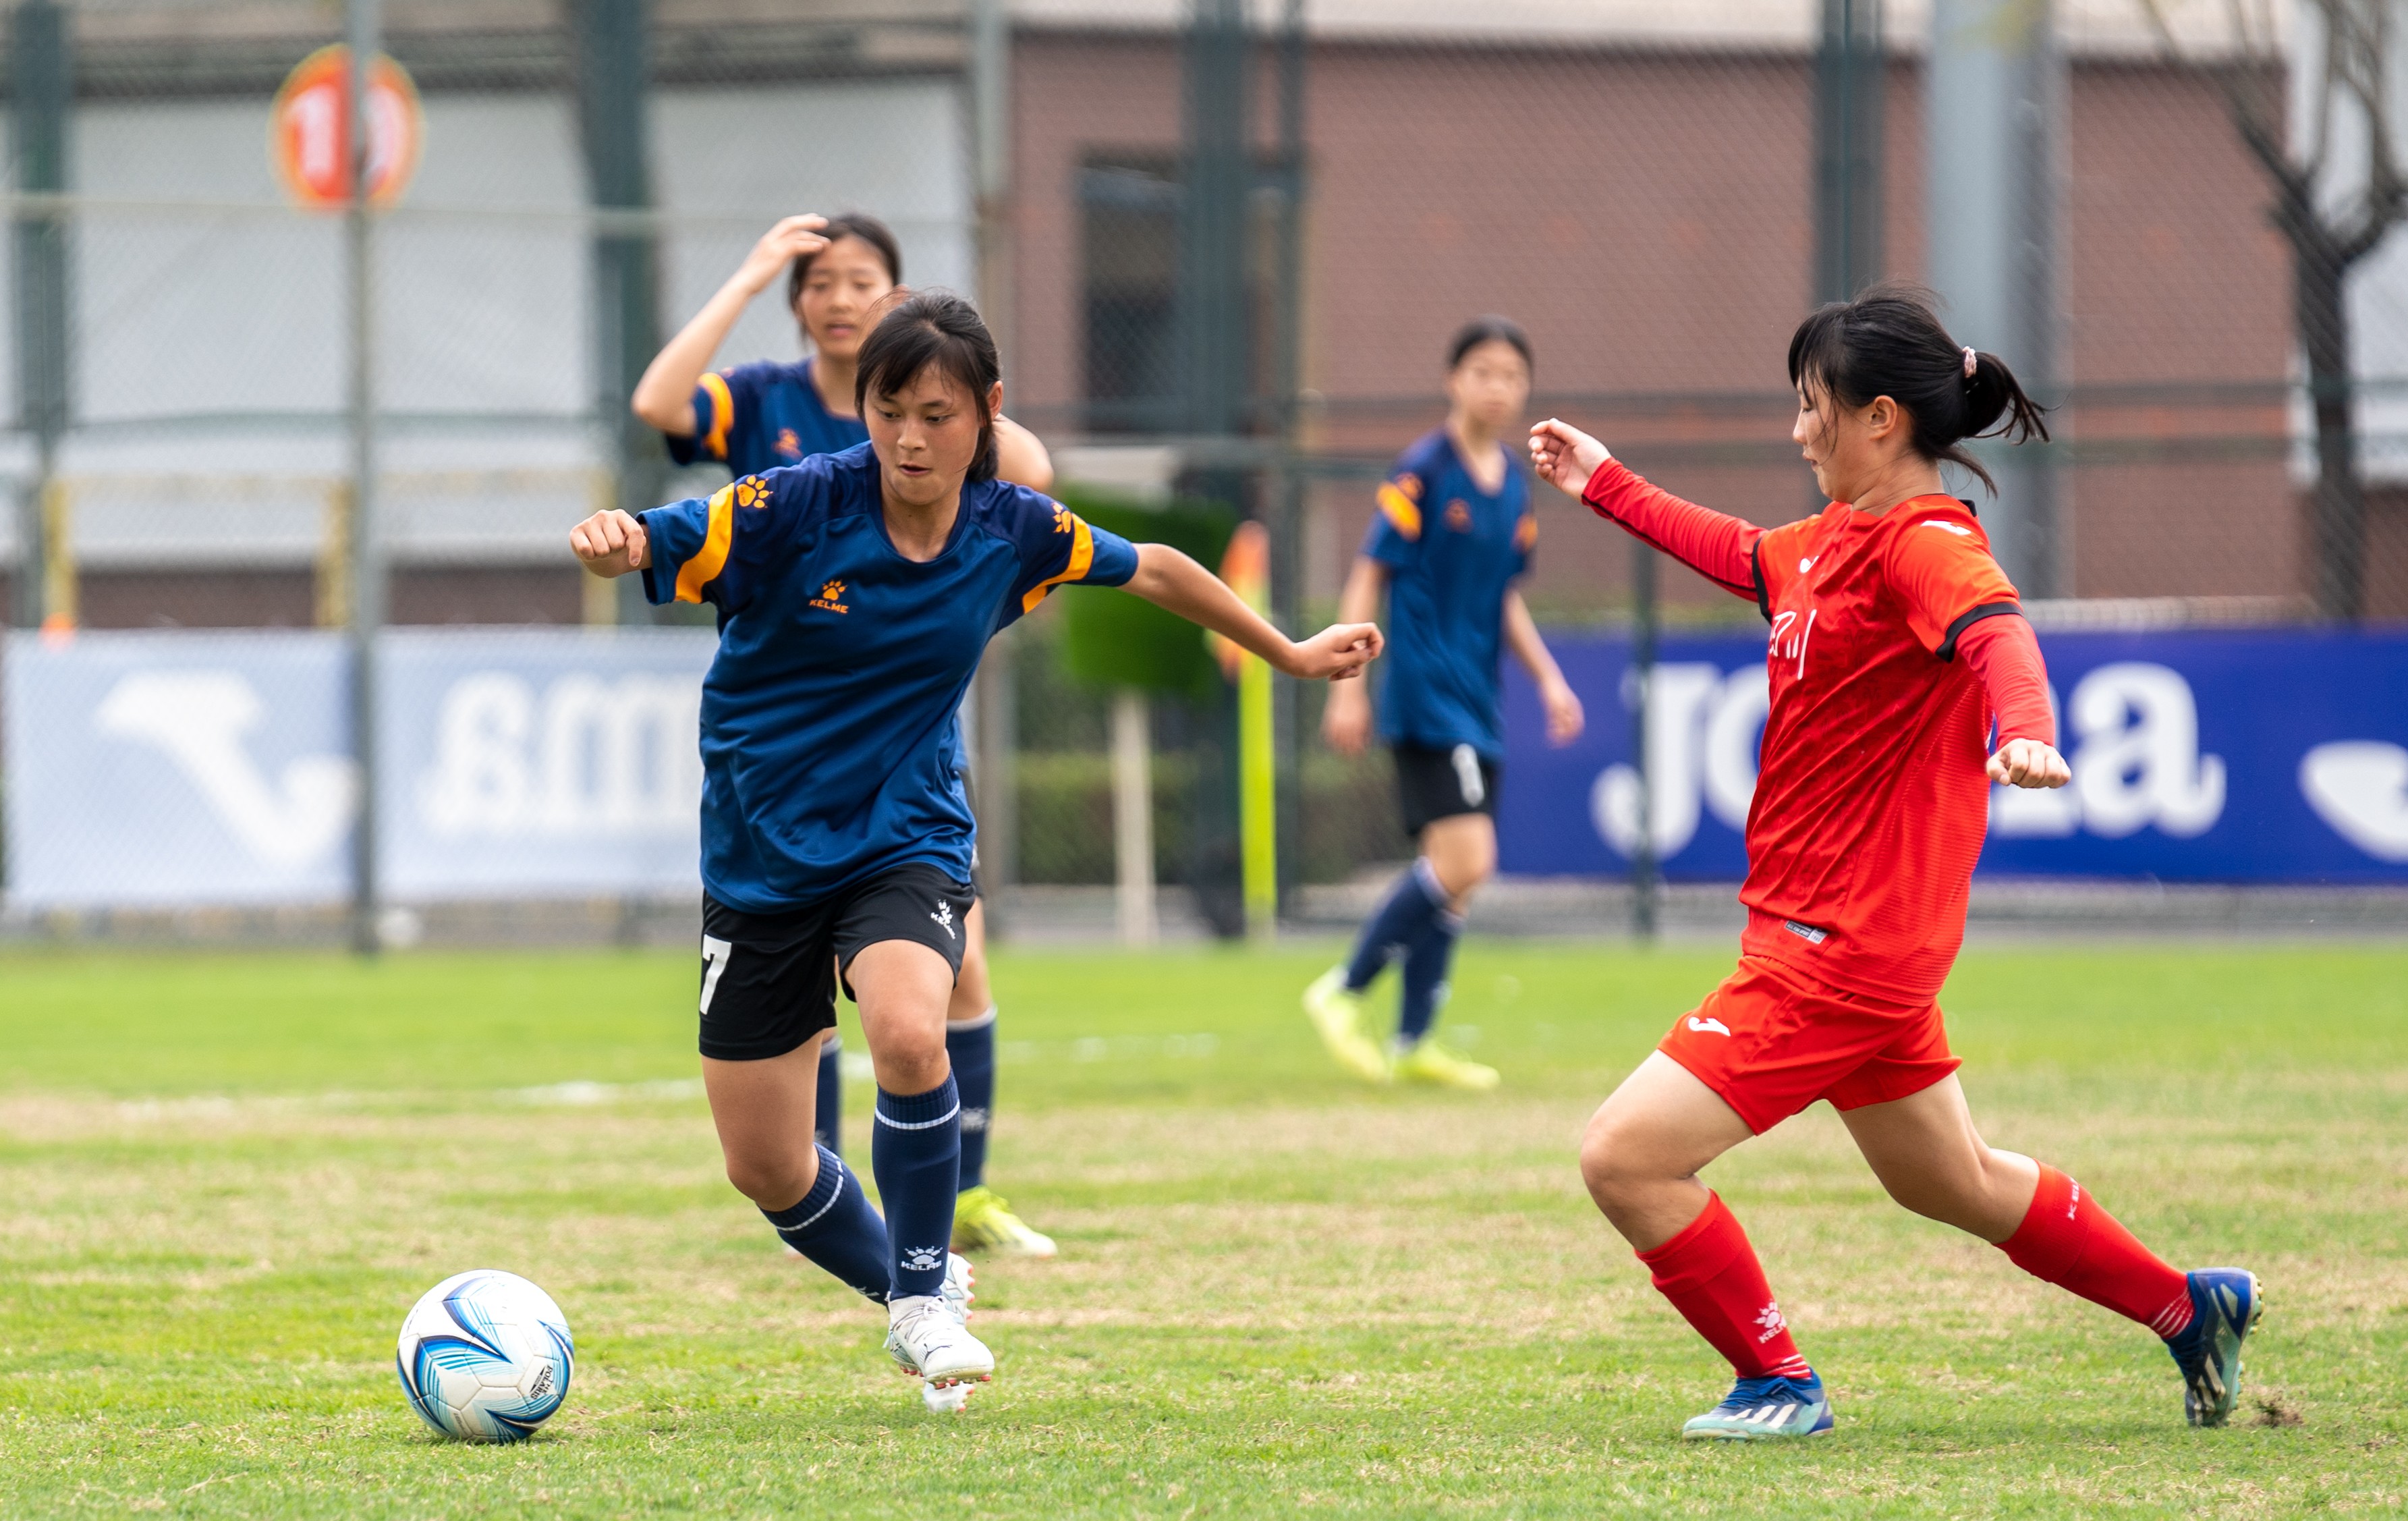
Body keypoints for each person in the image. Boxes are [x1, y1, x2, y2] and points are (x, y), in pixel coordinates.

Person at [573, 291, 1379, 1408]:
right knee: (764, 1166)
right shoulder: (793, 505)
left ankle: (920, 1302)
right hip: (760, 854)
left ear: (986, 412)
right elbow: (658, 540)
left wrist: (1286, 652)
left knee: (910, 1029)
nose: (910, 437)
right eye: (890, 410)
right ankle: (919, 1277)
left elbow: (1150, 566)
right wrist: (614, 543)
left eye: (938, 414)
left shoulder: (1014, 529)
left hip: (905, 836)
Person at [1527, 283, 2261, 1441]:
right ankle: (2190, 1309)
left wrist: (2026, 729)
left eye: (1811, 405)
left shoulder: (1922, 542)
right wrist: (1605, 485)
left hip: (1840, 950)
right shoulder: (1829, 544)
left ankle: (1779, 1385)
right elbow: (1736, 553)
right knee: (1948, 1181)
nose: (1797, 427)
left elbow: (1997, 630)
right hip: (1844, 942)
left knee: (1624, 1159)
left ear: (1880, 420)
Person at [631, 212, 1059, 1262]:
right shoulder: (767, 406)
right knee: (813, 993)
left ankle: (959, 1198)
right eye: (817, 281)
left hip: (904, 748)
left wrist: (959, 410)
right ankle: (826, 1172)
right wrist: (746, 272)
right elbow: (657, 408)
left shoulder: (934, 403)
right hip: (793, 738)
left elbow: (1034, 480)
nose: (837, 296)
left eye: (862, 280)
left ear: (896, 302)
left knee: (946, 980)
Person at [1302, 317, 1584, 1090]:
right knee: (1469, 861)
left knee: (1452, 876)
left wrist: (1549, 680)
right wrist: (1349, 683)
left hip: (1479, 701)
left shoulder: (1515, 488)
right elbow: (1370, 572)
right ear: (1453, 380)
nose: (1498, 387)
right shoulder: (1422, 470)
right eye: (1483, 371)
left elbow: (1504, 600)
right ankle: (1341, 989)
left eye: (1511, 375)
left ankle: (1412, 1040)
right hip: (1428, 696)